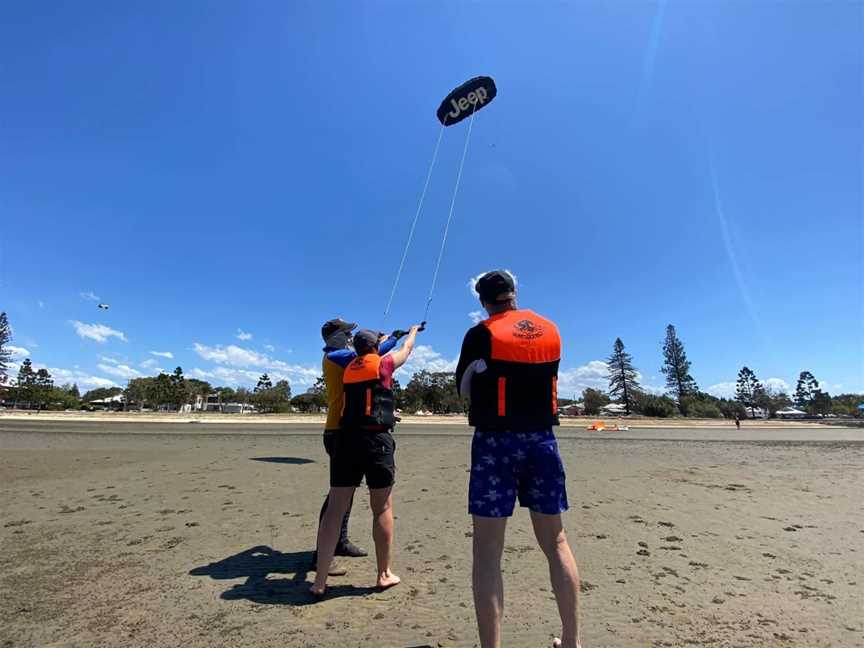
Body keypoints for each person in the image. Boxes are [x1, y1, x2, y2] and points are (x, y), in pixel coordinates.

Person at [455, 270, 583, 648]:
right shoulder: (551, 330)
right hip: (543, 442)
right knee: (556, 542)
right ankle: (572, 642)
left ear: (483, 300)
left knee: (488, 553)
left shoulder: (481, 333)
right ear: (514, 294)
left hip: (495, 443)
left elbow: (463, 387)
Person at [311, 324, 421, 596]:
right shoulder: (383, 364)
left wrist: (382, 341)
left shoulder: (345, 363)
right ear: (374, 347)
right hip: (375, 442)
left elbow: (347, 352)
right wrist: (411, 333)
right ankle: (383, 574)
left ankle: (319, 580)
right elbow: (405, 350)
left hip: (346, 441)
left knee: (335, 508)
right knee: (382, 508)